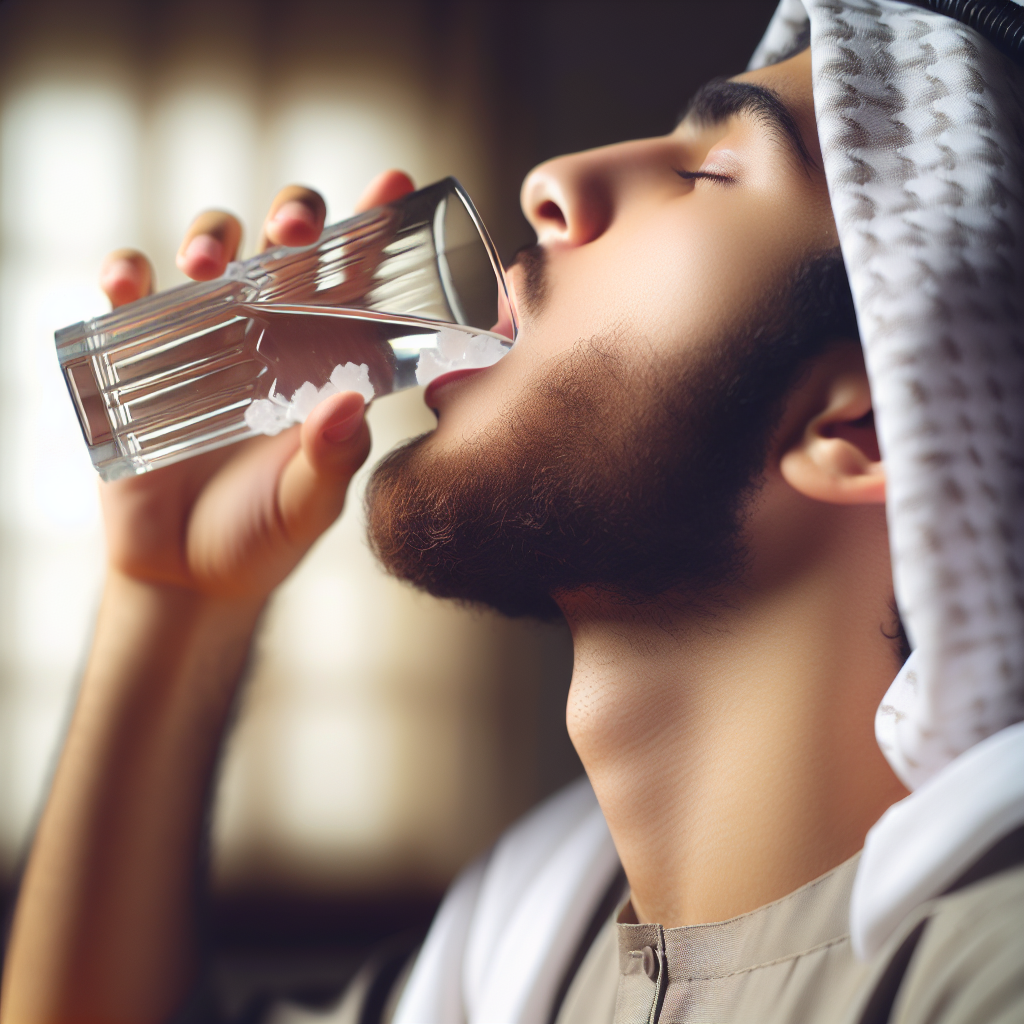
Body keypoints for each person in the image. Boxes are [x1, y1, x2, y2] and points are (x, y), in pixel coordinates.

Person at [2, 0, 1023, 1021]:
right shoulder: (530, 933)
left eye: (709, 171)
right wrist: (173, 600)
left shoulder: (982, 975)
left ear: (864, 428)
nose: (552, 184)